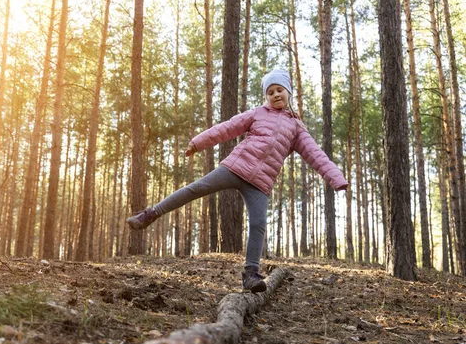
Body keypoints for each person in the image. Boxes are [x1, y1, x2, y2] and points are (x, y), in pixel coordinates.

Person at [127, 69, 348, 293]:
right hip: (235, 167)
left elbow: (316, 155)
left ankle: (251, 274)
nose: (275, 95)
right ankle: (151, 213)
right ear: (266, 96)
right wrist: (197, 142)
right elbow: (227, 128)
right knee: (195, 188)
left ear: (289, 92)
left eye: (280, 90)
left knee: (258, 224)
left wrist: (336, 179)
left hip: (260, 184)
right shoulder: (257, 114)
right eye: (270, 92)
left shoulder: (297, 129)